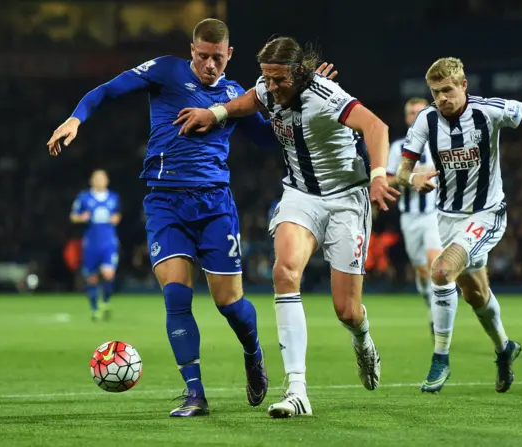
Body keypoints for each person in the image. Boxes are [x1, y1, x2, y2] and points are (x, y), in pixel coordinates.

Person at [47, 19, 337, 418]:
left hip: (215, 206)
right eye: (203, 56)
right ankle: (195, 394)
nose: (210, 65)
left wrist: (303, 98)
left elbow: (273, 140)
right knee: (177, 296)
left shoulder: (237, 97)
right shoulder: (166, 71)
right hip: (165, 202)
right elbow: (108, 89)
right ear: (191, 51)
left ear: (229, 55)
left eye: (218, 58)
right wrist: (77, 118)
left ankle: (253, 353)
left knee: (229, 304)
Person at [174, 36, 399, 418]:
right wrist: (216, 114)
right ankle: (297, 390)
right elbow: (250, 99)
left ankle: (362, 339)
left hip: (346, 198)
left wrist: (378, 174)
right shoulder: (269, 86)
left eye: (279, 81)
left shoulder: (326, 95)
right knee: (284, 272)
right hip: (300, 195)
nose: (271, 88)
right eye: (267, 78)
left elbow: (376, 127)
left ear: (299, 74)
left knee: (347, 310)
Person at [395, 57, 522, 393]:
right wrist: (413, 178)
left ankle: (440, 358)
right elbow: (403, 172)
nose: (442, 98)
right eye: (436, 92)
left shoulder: (489, 111)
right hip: (447, 217)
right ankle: (504, 347)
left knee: (440, 271)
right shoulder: (426, 121)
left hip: (487, 214)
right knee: (475, 293)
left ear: (463, 85)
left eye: (448, 90)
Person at [387, 98, 441, 337]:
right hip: (409, 217)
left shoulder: (439, 143)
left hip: (434, 214)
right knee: (421, 273)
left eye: (421, 112)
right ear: (407, 118)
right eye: (412, 113)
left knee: (434, 264)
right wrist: (410, 177)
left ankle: (438, 319)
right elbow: (387, 180)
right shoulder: (398, 148)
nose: (416, 117)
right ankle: (432, 309)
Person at [70, 169, 121, 321]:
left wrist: (116, 218)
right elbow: (73, 216)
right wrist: (81, 218)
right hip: (91, 242)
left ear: (107, 180)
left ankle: (105, 301)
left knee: (108, 274)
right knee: (91, 277)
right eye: (96, 178)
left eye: (102, 178)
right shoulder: (84, 197)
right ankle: (94, 309)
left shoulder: (113, 197)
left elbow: (118, 214)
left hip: (108, 241)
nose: (99, 180)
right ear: (91, 180)